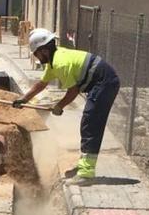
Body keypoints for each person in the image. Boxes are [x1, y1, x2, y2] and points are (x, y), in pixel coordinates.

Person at [13, 28, 120, 185]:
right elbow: (41, 84)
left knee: (91, 123)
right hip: (101, 82)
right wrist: (24, 99)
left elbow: (73, 91)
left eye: (36, 53)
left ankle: (86, 173)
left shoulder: (60, 63)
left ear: (44, 50)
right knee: (88, 123)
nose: (36, 57)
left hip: (105, 82)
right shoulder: (54, 60)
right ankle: (84, 166)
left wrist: (59, 106)